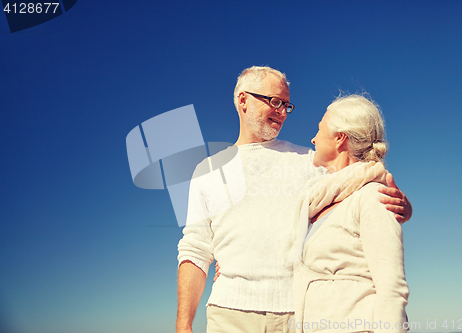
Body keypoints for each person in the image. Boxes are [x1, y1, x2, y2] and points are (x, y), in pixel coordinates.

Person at [176, 66, 412, 333]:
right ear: (243, 100)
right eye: (274, 102)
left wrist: (402, 204)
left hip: (296, 315)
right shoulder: (207, 172)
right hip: (228, 314)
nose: (281, 112)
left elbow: (360, 179)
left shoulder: (310, 162)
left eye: (286, 106)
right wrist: (183, 325)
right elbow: (195, 249)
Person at [290, 95, 409, 333]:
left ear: (339, 138)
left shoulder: (373, 197)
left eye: (319, 129)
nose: (313, 138)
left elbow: (392, 288)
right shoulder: (317, 201)